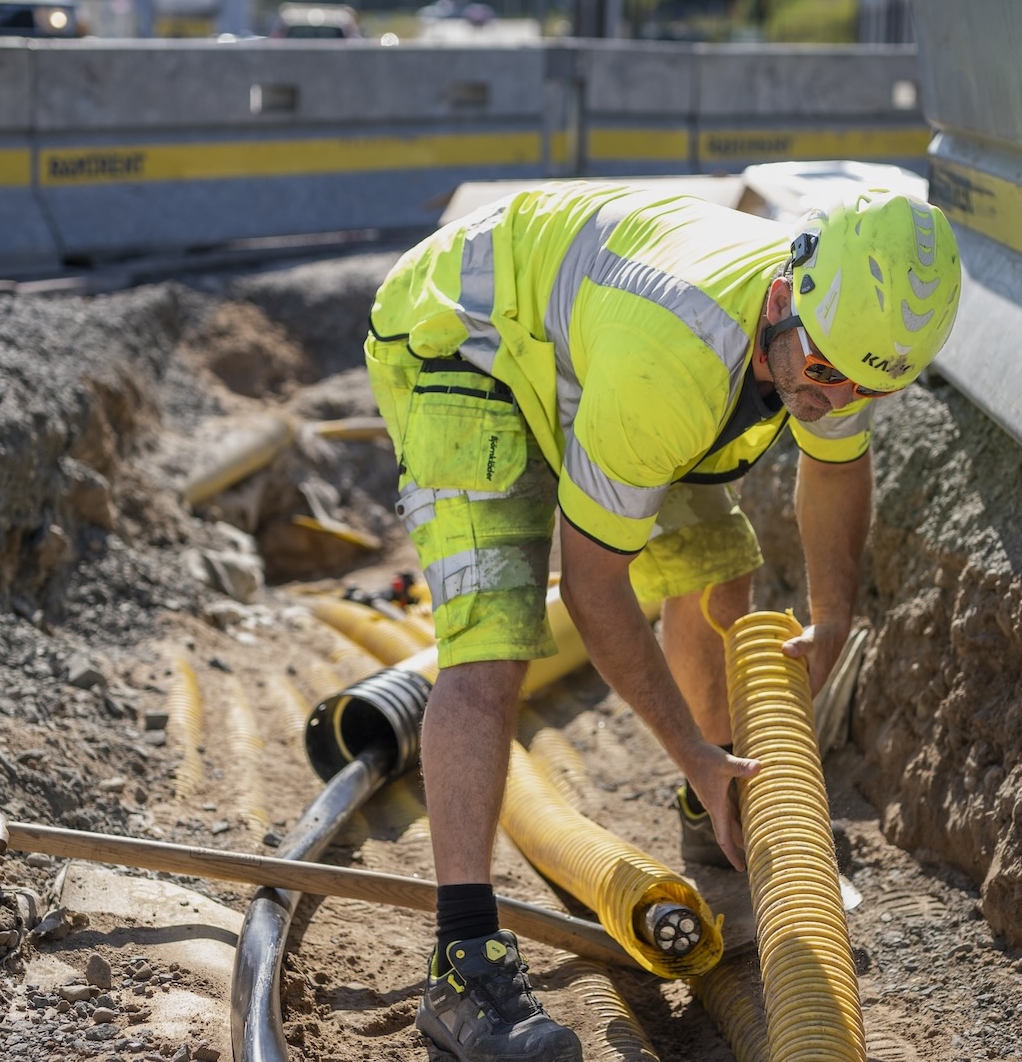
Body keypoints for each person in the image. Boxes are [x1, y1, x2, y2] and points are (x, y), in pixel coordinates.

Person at [363, 180, 962, 1061]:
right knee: (493, 646)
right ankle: (463, 968)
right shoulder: (673, 359)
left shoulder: (844, 342)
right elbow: (597, 588)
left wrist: (833, 615)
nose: (830, 402)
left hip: (592, 349)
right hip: (466, 339)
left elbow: (834, 469)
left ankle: (707, 825)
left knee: (723, 576)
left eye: (862, 390)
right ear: (785, 291)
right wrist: (686, 741)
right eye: (823, 374)